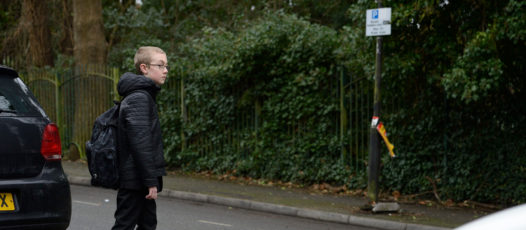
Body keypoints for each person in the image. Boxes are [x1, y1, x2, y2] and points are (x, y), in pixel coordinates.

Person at [112, 46, 168, 230]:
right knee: (125, 225)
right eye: (160, 65)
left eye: (166, 65)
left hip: (138, 178)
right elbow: (141, 142)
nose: (165, 70)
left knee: (147, 224)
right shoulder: (139, 98)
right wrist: (150, 181)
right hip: (135, 180)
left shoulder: (142, 95)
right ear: (144, 68)